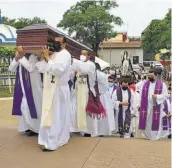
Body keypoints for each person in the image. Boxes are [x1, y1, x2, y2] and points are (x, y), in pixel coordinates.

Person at [36, 37, 71, 151]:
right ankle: (47, 139)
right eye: (54, 42)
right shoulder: (54, 55)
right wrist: (43, 59)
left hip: (59, 89)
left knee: (56, 116)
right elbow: (42, 69)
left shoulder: (65, 54)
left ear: (64, 44)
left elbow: (58, 70)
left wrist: (47, 58)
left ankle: (53, 142)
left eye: (58, 43)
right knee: (49, 115)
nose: (55, 44)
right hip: (50, 89)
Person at [9, 46, 43, 136]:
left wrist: (22, 57)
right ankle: (27, 127)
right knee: (23, 107)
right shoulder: (19, 55)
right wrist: (17, 58)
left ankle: (36, 129)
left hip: (32, 88)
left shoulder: (31, 56)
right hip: (21, 87)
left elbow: (31, 68)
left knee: (33, 107)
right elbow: (11, 68)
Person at [71, 51, 106, 137]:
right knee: (74, 110)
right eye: (81, 54)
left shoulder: (90, 65)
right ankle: (78, 129)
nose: (82, 56)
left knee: (87, 112)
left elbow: (84, 69)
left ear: (89, 56)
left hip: (87, 91)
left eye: (84, 54)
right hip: (78, 91)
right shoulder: (79, 64)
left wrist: (74, 61)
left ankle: (90, 131)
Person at [138, 69, 168, 140]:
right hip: (146, 106)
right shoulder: (145, 84)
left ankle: (156, 136)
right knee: (147, 120)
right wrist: (140, 104)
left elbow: (166, 95)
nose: (150, 77)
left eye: (151, 76)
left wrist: (157, 96)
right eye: (149, 75)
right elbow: (141, 95)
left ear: (156, 76)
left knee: (156, 120)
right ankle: (149, 135)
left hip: (156, 106)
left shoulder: (162, 84)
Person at [93, 63, 115, 136]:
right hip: (101, 95)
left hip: (101, 95)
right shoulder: (101, 74)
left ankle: (99, 131)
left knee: (101, 114)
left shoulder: (99, 74)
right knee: (102, 114)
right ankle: (100, 131)